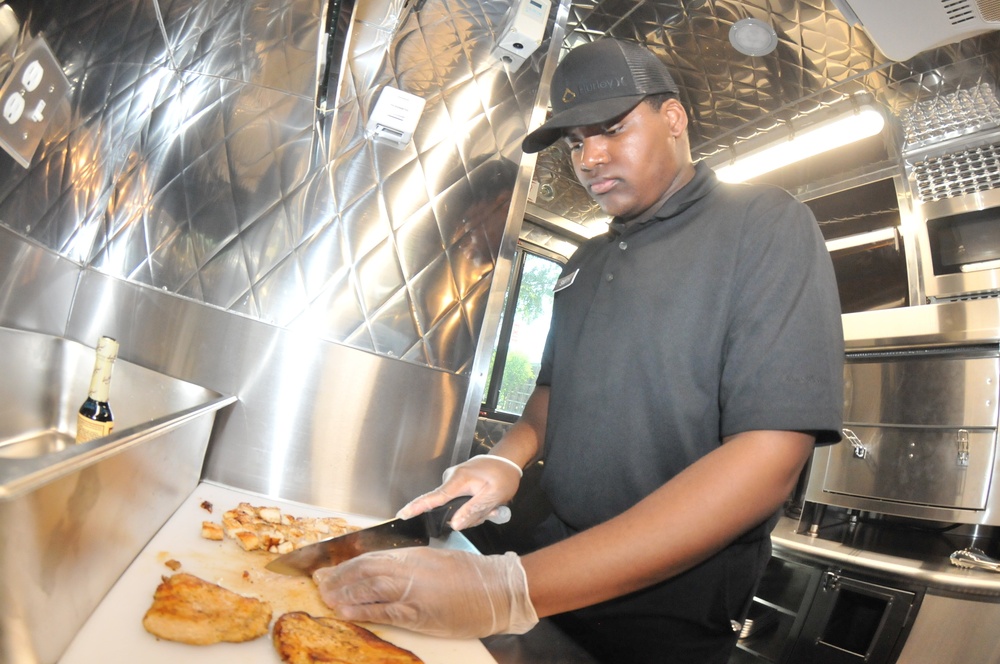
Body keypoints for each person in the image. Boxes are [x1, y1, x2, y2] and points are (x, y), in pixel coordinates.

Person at [313, 38, 845, 664]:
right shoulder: (583, 260)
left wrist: (508, 588)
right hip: (552, 569)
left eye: (612, 130)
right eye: (574, 143)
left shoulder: (763, 224)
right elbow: (553, 394)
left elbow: (768, 461)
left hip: (663, 608)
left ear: (673, 118)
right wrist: (505, 462)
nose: (590, 157)